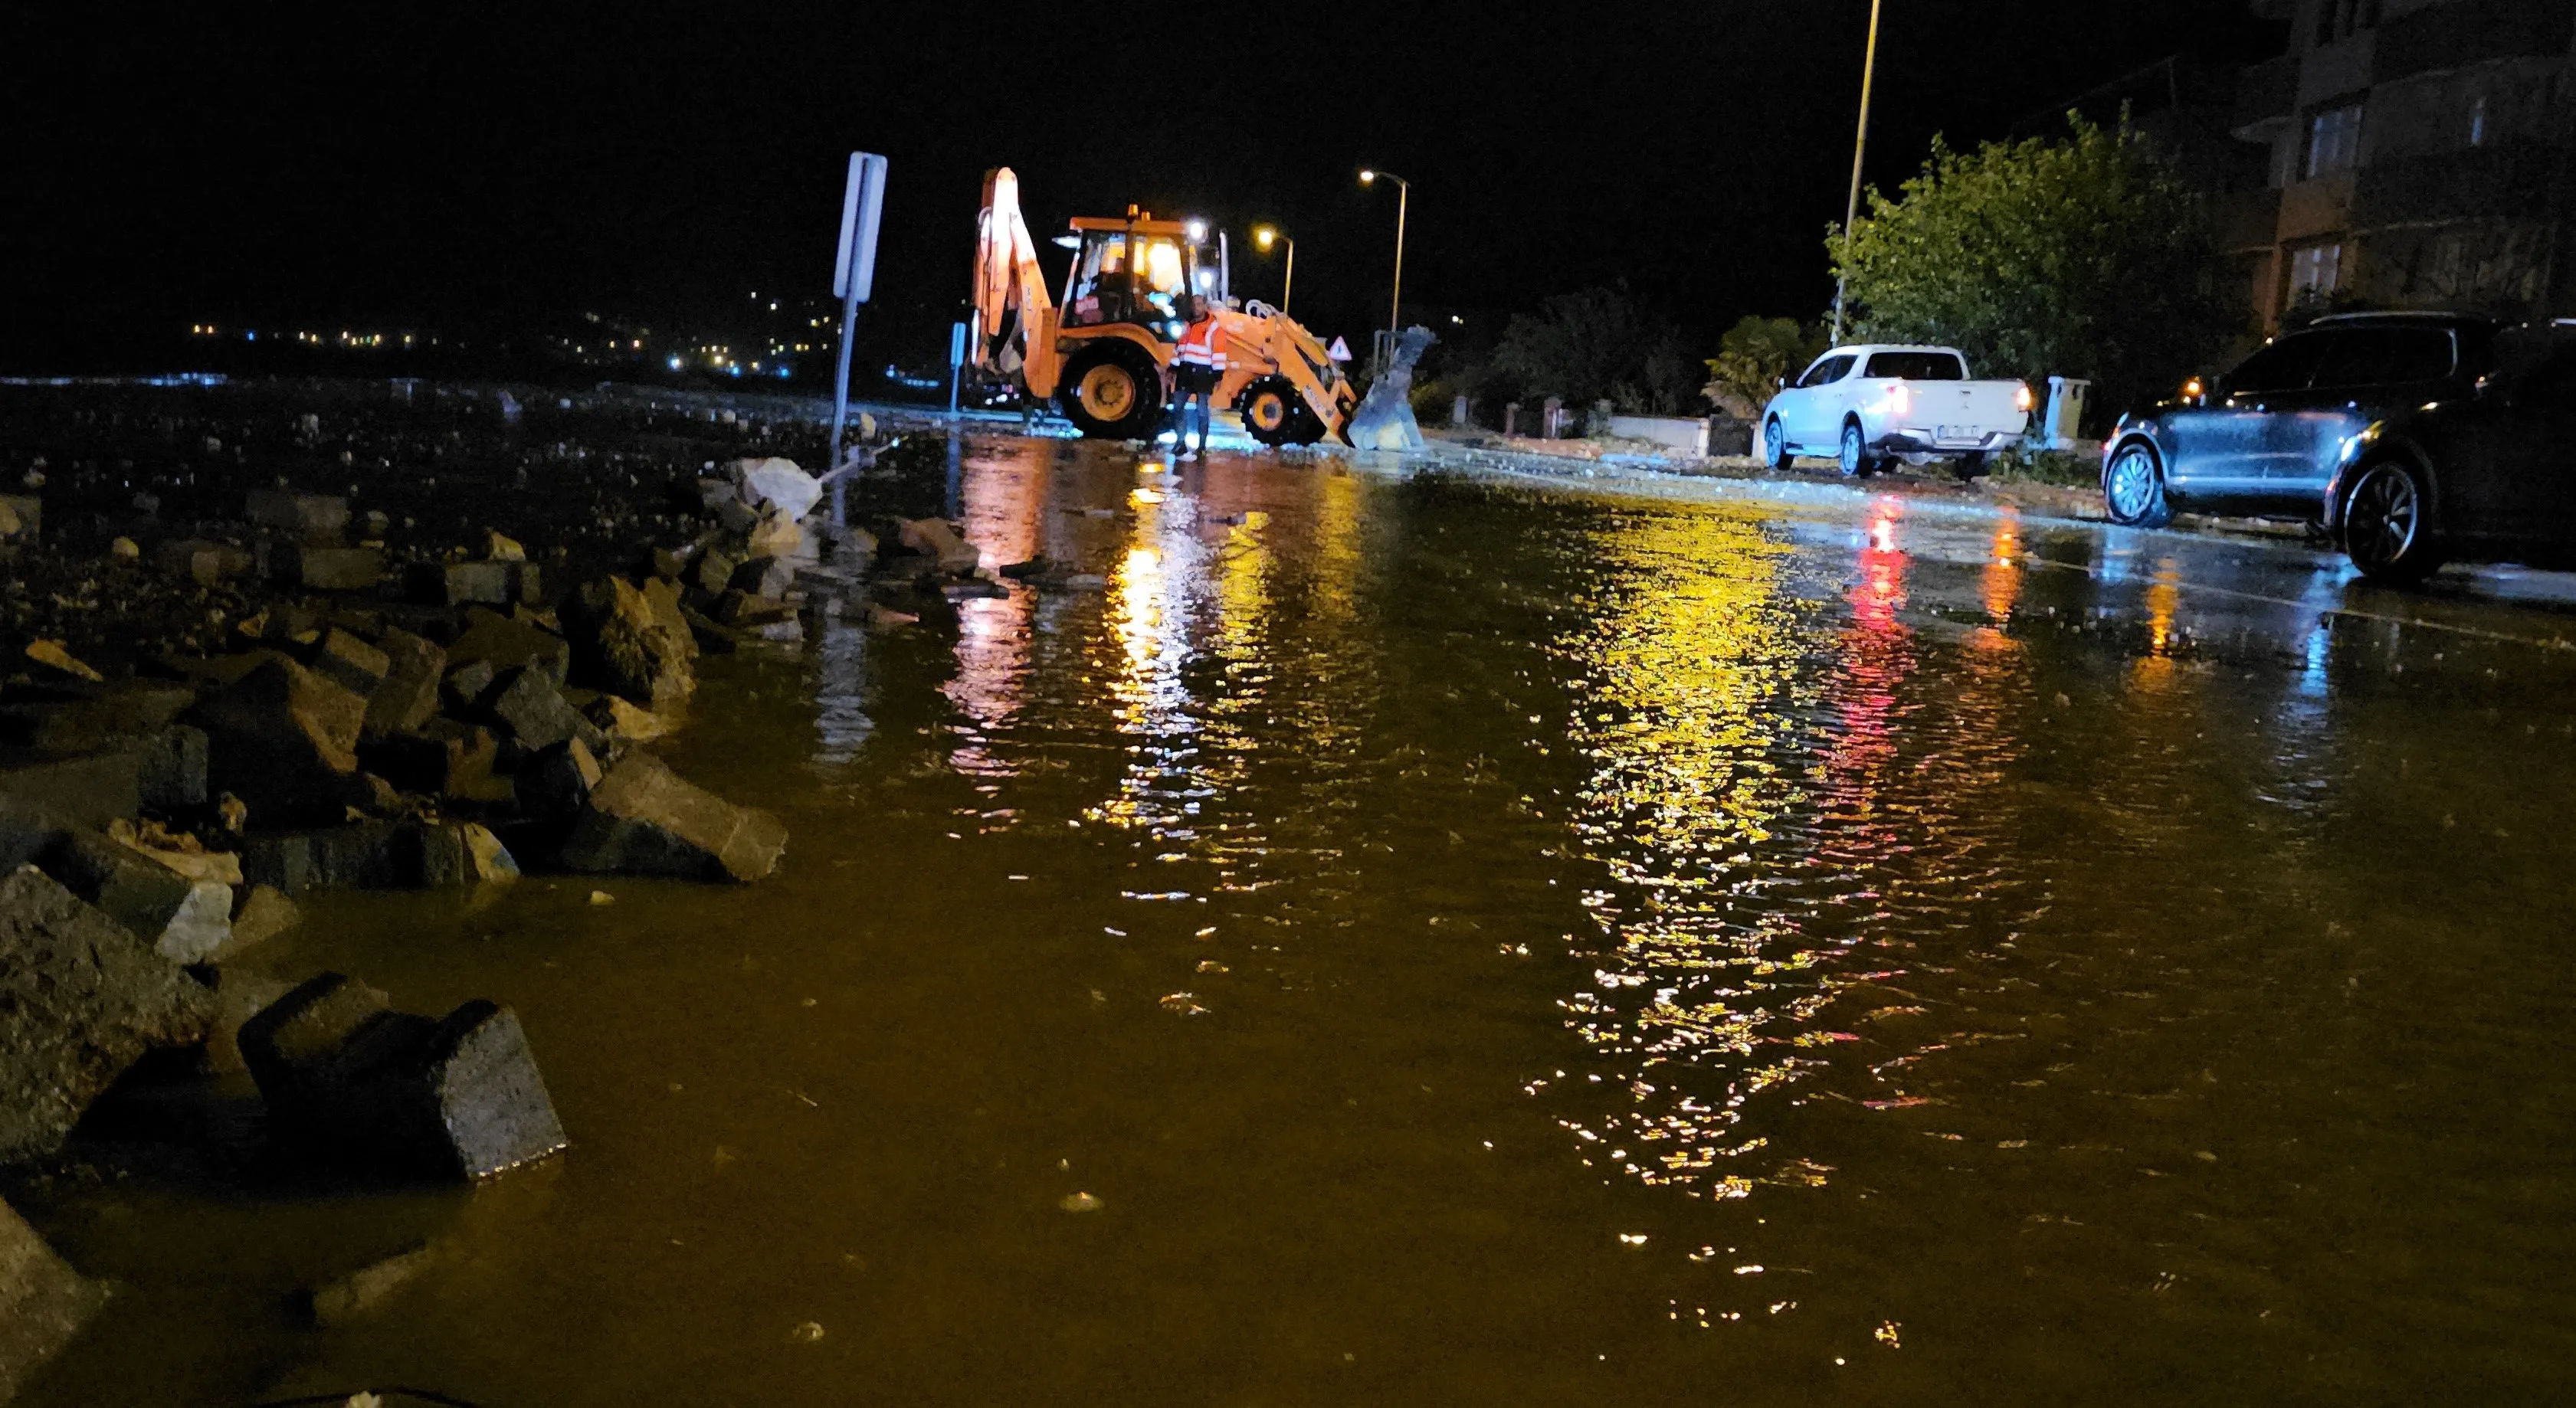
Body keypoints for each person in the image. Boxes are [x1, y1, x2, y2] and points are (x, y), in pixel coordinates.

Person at [1168, 296, 1225, 459]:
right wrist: (1173, 367)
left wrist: (1218, 374)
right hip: (1186, 371)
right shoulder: (1187, 325)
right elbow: (1179, 347)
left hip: (1203, 373)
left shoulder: (1214, 327)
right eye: (1194, 304)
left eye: (1199, 304)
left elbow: (1219, 351)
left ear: (1205, 306)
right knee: (1178, 406)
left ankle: (1202, 446)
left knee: (1202, 410)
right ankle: (1180, 443)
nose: (1196, 307)